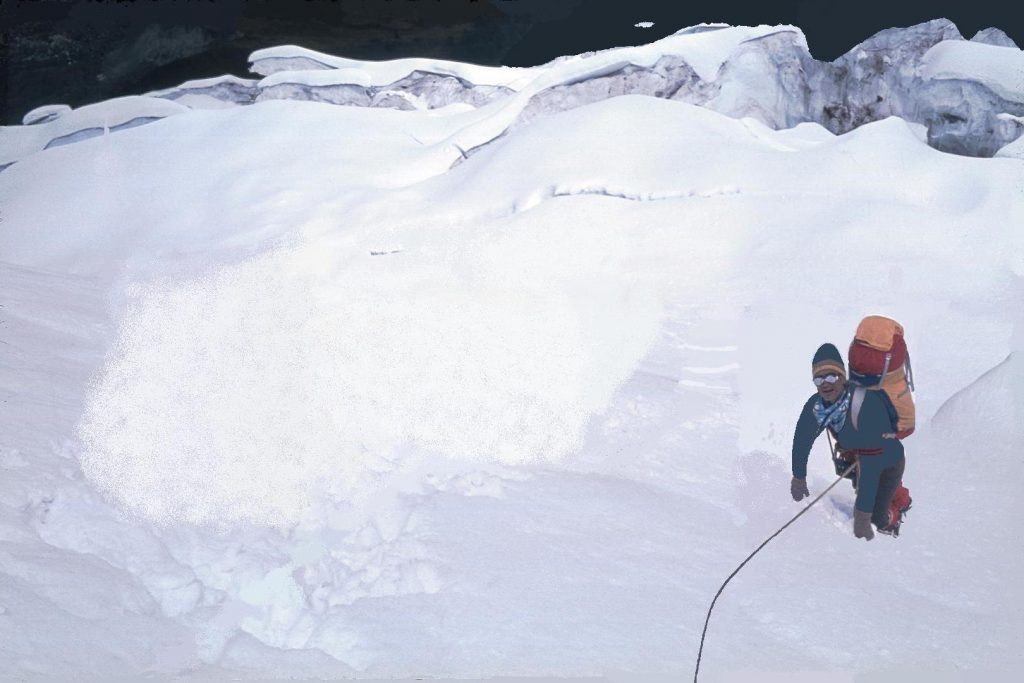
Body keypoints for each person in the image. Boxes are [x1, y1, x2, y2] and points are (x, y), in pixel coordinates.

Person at [789, 343, 910, 540]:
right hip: (855, 456)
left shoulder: (866, 404)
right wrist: (798, 477)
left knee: (876, 517)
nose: (825, 383)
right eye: (819, 379)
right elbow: (802, 440)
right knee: (871, 492)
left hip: (887, 459)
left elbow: (871, 466)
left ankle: (894, 517)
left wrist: (862, 517)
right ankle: (898, 495)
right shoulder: (817, 406)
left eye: (831, 376)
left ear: (842, 377)